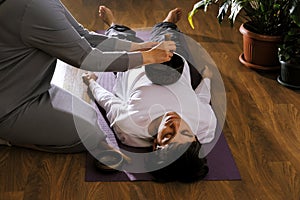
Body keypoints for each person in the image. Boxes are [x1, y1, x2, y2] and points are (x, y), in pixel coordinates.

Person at [0, 0, 176, 153]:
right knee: (90, 135)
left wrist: (138, 47)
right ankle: (7, 137)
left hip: (33, 88)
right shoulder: (33, 8)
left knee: (91, 117)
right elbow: (88, 58)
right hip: (9, 108)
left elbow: (84, 37)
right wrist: (149, 57)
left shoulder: (42, 4)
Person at [82, 6, 217, 182]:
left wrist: (91, 82)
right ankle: (168, 23)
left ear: (155, 145)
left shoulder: (128, 126)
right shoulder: (206, 125)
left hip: (133, 62)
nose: (174, 123)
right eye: (185, 132)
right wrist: (206, 80)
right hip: (173, 63)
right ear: (195, 137)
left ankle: (112, 23)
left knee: (117, 37)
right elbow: (202, 100)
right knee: (168, 34)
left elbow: (108, 102)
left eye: (168, 135)